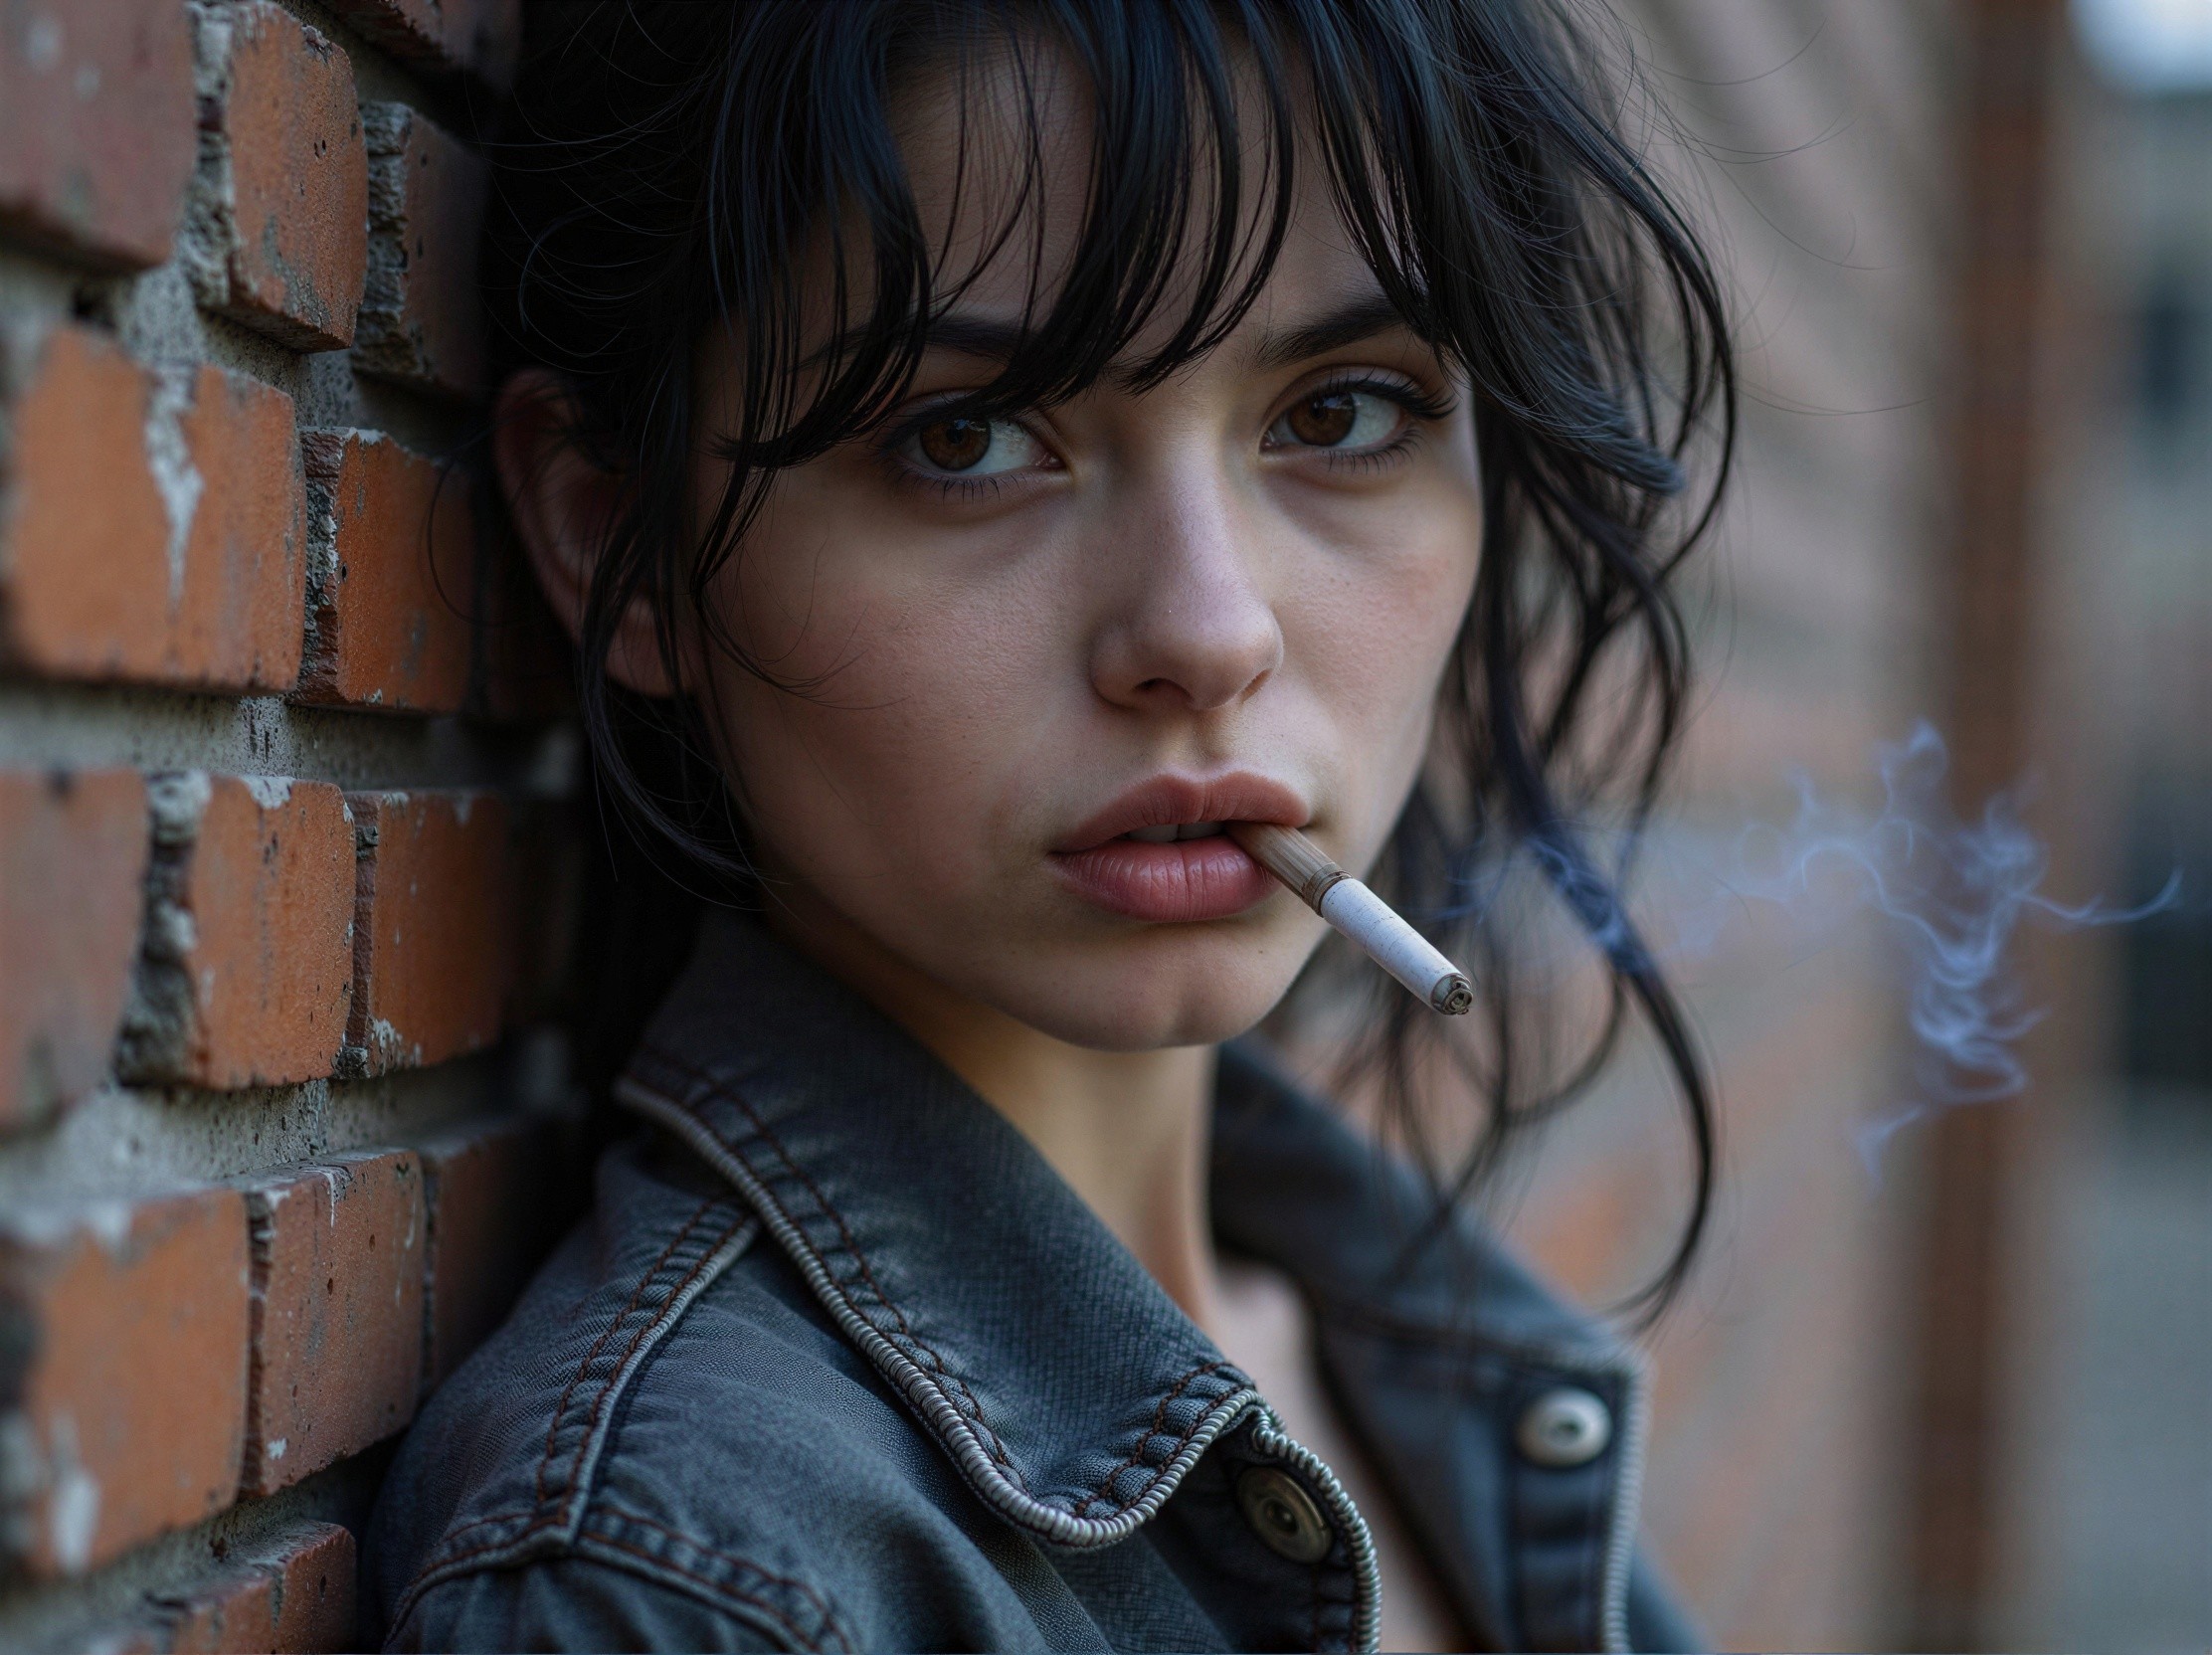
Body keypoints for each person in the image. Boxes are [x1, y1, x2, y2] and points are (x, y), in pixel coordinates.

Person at [369, 2, 1734, 1649]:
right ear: (622, 539)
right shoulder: (687, 1581)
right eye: (968, 440)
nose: (1209, 630)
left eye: (1342, 413)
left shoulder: (1408, 1346)